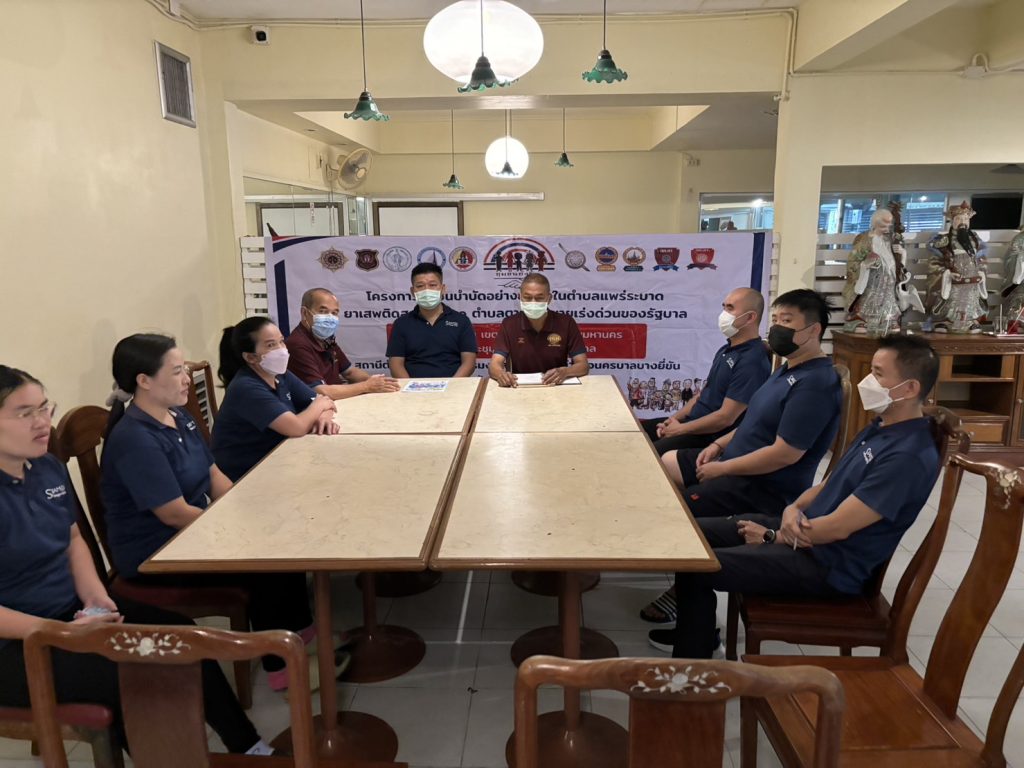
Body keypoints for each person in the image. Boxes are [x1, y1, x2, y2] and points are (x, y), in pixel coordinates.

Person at [0, 365, 275, 755]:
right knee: (134, 673)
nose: (42, 422)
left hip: (71, 612)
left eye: (44, 408)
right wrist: (56, 632)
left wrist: (95, 597)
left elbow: (73, 538)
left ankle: (249, 748)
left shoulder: (46, 467)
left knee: (183, 637)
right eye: (24, 413)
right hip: (15, 644)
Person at [648, 334, 941, 657]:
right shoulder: (882, 427)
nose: (868, 380)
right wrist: (794, 508)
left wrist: (772, 536)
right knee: (691, 537)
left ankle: (692, 671)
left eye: (879, 374)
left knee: (697, 566)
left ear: (909, 388)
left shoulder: (907, 456)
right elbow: (830, 484)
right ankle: (698, 638)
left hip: (826, 565)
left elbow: (837, 529)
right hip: (800, 532)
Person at [100, 335, 343, 692]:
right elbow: (174, 514)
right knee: (265, 564)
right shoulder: (135, 438)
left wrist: (245, 512)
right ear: (144, 380)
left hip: (194, 530)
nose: (187, 379)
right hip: (158, 552)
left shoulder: (178, 416)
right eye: (177, 371)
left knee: (282, 539)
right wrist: (237, 530)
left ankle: (301, 638)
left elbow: (214, 475)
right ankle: (283, 671)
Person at [660, 288, 842, 521]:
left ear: (814, 330)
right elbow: (753, 421)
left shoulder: (815, 384)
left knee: (671, 514)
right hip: (734, 464)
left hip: (760, 489)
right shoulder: (788, 369)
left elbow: (785, 454)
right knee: (663, 464)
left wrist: (723, 468)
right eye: (775, 320)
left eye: (787, 321)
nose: (777, 327)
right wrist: (718, 445)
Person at [639, 287, 770, 456]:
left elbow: (725, 418)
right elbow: (703, 395)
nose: (724, 314)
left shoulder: (752, 361)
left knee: (647, 455)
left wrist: (680, 429)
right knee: (634, 432)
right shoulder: (726, 350)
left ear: (750, 317)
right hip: (692, 424)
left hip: (709, 437)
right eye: (724, 307)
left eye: (730, 308)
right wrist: (673, 420)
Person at [213, 317, 339, 483]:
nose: (281, 350)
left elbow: (323, 402)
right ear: (250, 357)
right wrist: (318, 407)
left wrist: (323, 417)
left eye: (281, 341)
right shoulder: (246, 388)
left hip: (281, 460)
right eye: (271, 345)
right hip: (247, 476)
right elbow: (297, 427)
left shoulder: (280, 374)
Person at [286, 287, 401, 397]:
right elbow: (321, 391)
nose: (330, 318)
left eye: (334, 313)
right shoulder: (297, 344)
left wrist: (377, 382)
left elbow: (350, 372)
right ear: (304, 313)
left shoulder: (326, 338)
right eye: (323, 311)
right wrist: (367, 386)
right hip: (316, 406)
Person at [488, 273, 590, 387]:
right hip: (520, 386)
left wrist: (565, 372)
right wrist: (501, 374)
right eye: (527, 297)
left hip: (556, 386)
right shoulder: (509, 324)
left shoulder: (566, 323)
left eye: (539, 298)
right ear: (520, 297)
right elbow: (494, 364)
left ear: (549, 298)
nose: (533, 302)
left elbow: (583, 365)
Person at [386, 263, 478, 378]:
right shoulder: (401, 324)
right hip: (413, 387)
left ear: (443, 289)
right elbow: (396, 365)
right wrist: (411, 387)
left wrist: (452, 385)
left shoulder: (461, 321)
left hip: (453, 385)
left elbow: (469, 363)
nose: (426, 290)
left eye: (433, 285)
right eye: (420, 286)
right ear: (412, 291)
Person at [842, 206, 907, 333]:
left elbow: (897, 262)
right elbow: (853, 261)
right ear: (875, 224)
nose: (886, 229)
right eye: (883, 226)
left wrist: (903, 254)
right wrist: (865, 265)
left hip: (889, 280)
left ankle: (888, 319)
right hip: (871, 281)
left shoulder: (890, 240)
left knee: (888, 299)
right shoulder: (864, 239)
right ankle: (863, 319)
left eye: (888, 226)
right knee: (869, 298)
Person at [925, 201, 987, 334]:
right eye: (959, 219)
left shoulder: (976, 240)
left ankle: (970, 321)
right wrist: (946, 274)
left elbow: (982, 259)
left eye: (966, 219)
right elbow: (934, 263)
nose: (963, 222)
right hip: (951, 282)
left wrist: (981, 272)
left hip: (971, 282)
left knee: (970, 300)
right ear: (952, 221)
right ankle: (944, 321)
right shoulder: (943, 241)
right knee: (950, 301)